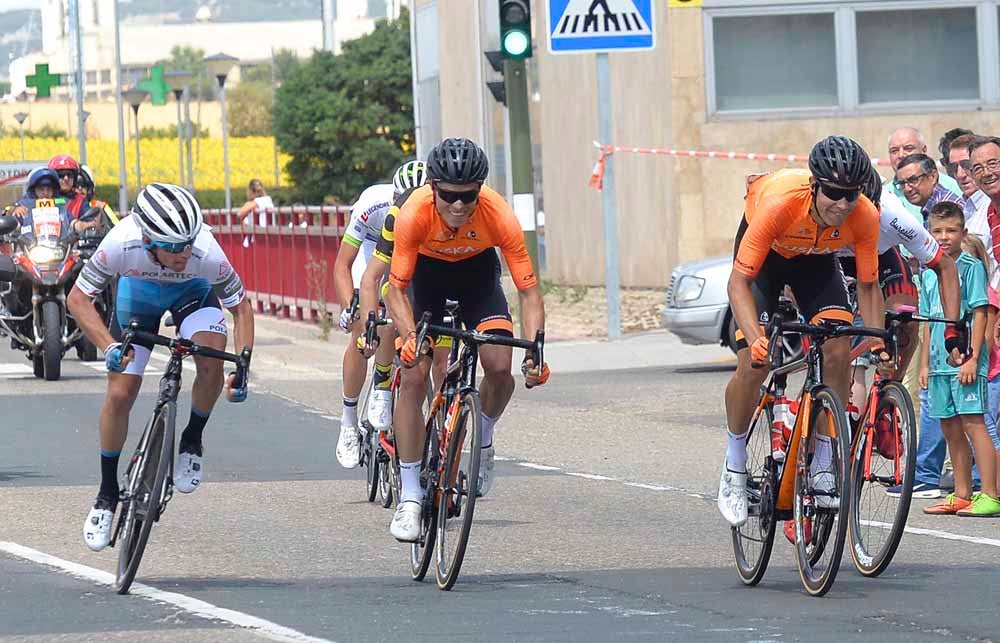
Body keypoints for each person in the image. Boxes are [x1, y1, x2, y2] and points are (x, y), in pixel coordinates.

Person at [66, 183, 256, 552]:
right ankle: (107, 493)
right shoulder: (121, 244)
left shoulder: (205, 253)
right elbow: (78, 298)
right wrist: (108, 347)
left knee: (212, 355)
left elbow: (241, 308)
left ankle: (192, 439)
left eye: (188, 243)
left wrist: (243, 361)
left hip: (193, 295)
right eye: (172, 247)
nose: (183, 253)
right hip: (139, 298)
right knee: (121, 392)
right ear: (149, 240)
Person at [384, 138, 549, 542]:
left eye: (468, 197)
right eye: (450, 197)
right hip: (427, 277)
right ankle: (409, 496)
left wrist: (536, 349)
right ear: (434, 188)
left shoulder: (498, 214)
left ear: (480, 191)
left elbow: (529, 292)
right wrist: (408, 337)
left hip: (477, 276)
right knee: (415, 375)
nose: (459, 206)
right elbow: (395, 290)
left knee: (499, 370)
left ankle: (484, 440)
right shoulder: (414, 214)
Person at [719, 135, 888, 528]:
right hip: (767, 261)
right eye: (833, 193)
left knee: (839, 346)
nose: (842, 204)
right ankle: (735, 463)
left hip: (815, 263)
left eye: (850, 195)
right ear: (814, 185)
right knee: (754, 364)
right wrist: (755, 337)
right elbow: (738, 284)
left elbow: (867, 286)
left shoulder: (864, 216)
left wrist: (878, 339)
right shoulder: (780, 203)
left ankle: (826, 453)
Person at [333, 160, 428, 468]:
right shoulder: (372, 204)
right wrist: (351, 306)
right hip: (372, 249)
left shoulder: (430, 213)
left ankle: (388, 388)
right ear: (394, 197)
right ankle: (348, 421)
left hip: (409, 248)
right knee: (366, 323)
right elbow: (342, 265)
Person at [920, 202, 1000, 517]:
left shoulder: (971, 266)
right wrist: (924, 364)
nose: (944, 237)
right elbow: (927, 322)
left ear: (963, 232)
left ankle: (990, 493)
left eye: (951, 230)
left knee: (973, 422)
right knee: (949, 425)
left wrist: (974, 358)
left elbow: (981, 311)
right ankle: (962, 493)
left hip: (965, 359)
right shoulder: (927, 271)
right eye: (937, 231)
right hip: (938, 363)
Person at [885, 127, 962, 224]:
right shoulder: (884, 195)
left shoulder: (952, 188)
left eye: (908, 148)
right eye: (894, 151)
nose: (901, 155)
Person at [944, 134, 992, 257]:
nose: (960, 174)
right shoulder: (963, 209)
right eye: (953, 167)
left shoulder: (993, 205)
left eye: (966, 165)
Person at [894, 153, 963, 226]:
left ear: (932, 177)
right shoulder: (931, 208)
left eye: (913, 180)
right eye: (902, 183)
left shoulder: (948, 208)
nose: (907, 189)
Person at [237, 179, 274, 247]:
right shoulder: (269, 200)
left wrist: (248, 204)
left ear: (251, 191)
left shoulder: (257, 202)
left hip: (257, 239)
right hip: (269, 237)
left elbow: (240, 213)